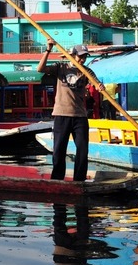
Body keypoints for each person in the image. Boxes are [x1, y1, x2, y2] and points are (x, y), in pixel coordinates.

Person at [37, 40, 104, 181]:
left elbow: (96, 83)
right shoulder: (61, 67)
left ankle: (79, 180)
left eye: (85, 57)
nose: (82, 59)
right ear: (72, 55)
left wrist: (99, 86)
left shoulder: (87, 71)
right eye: (80, 56)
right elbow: (40, 68)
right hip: (61, 114)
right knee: (59, 150)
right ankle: (57, 180)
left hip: (80, 116)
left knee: (82, 150)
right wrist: (48, 49)